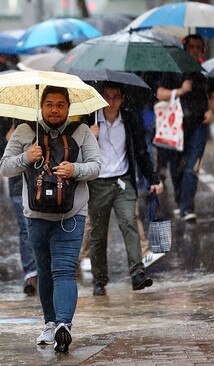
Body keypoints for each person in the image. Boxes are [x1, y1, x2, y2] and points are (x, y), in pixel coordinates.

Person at [0, 86, 100, 352]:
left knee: (64, 269)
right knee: (45, 271)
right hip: (36, 216)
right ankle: (49, 323)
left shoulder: (82, 131)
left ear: (69, 107)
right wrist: (26, 156)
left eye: (60, 104)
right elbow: (4, 167)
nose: (55, 109)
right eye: (49, 104)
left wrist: (74, 169)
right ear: (41, 106)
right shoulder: (24, 131)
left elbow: (97, 166)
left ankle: (63, 325)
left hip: (71, 214)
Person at [84, 82, 162, 296]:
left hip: (123, 181)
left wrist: (153, 178)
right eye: (107, 97)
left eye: (116, 97)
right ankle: (99, 280)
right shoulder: (89, 120)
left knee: (129, 222)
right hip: (98, 183)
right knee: (98, 234)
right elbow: (76, 151)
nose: (111, 102)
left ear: (123, 98)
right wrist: (90, 137)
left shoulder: (129, 119)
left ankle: (137, 272)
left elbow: (141, 151)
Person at [155, 34, 214, 222]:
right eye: (192, 46)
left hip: (199, 125)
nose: (195, 50)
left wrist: (211, 110)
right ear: (185, 46)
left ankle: (187, 208)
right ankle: (181, 201)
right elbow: (160, 93)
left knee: (192, 167)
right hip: (176, 126)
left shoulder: (205, 71)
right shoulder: (174, 68)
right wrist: (180, 90)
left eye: (199, 47)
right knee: (176, 167)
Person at [0, 117, 38, 295]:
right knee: (26, 229)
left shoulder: (45, 120)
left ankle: (44, 271)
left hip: (43, 183)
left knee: (43, 227)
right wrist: (6, 140)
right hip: (18, 185)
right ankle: (31, 274)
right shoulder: (7, 121)